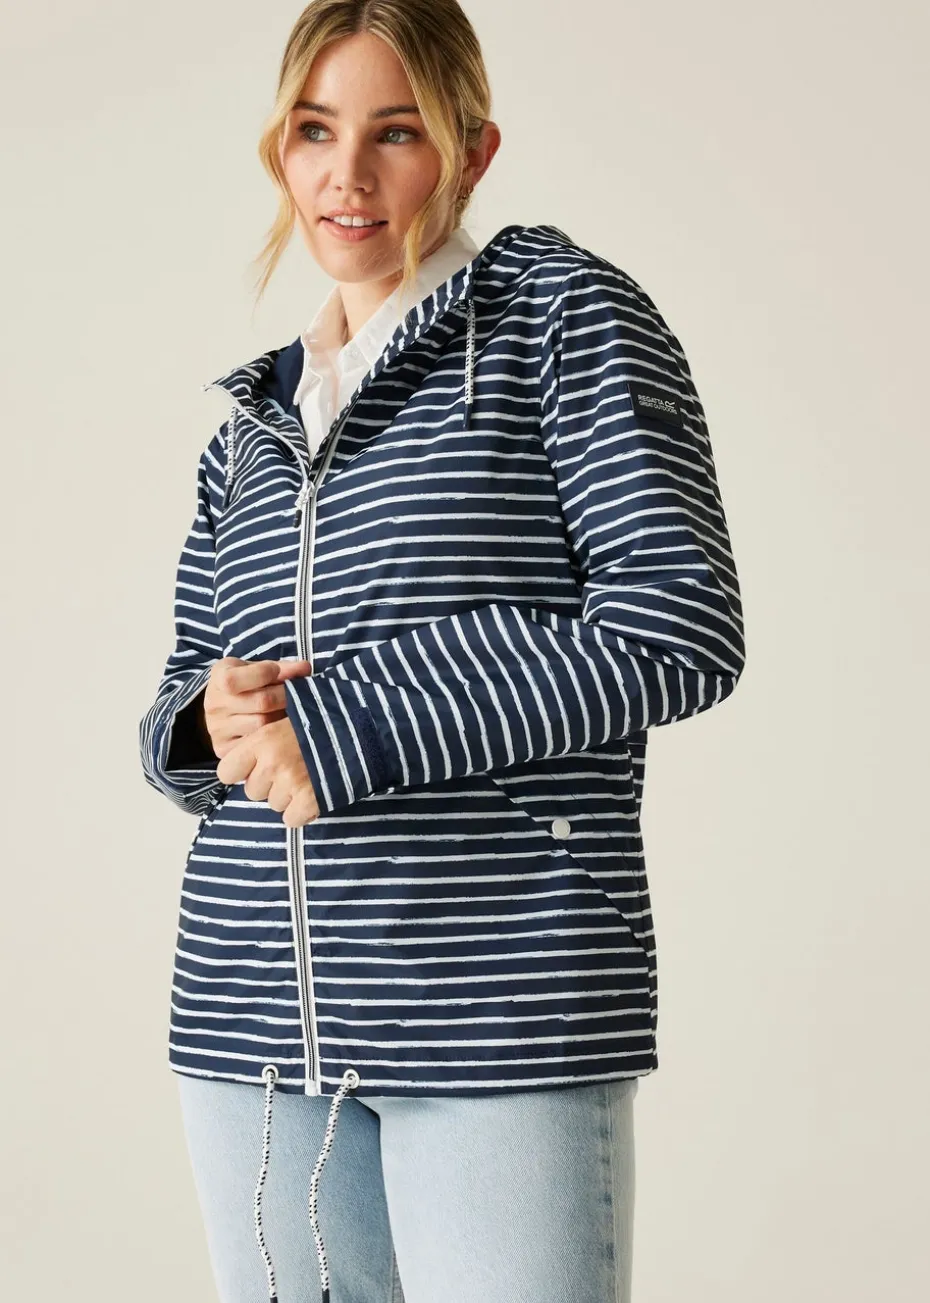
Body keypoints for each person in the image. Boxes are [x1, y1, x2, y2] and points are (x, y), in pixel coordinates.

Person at [138, 2, 746, 1300]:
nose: (346, 175)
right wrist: (209, 717)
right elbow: (180, 708)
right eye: (315, 131)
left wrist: (352, 727)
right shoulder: (249, 424)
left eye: (396, 133)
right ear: (280, 149)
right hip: (253, 1024)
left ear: (472, 149)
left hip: (498, 1008)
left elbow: (678, 621)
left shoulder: (559, 319)